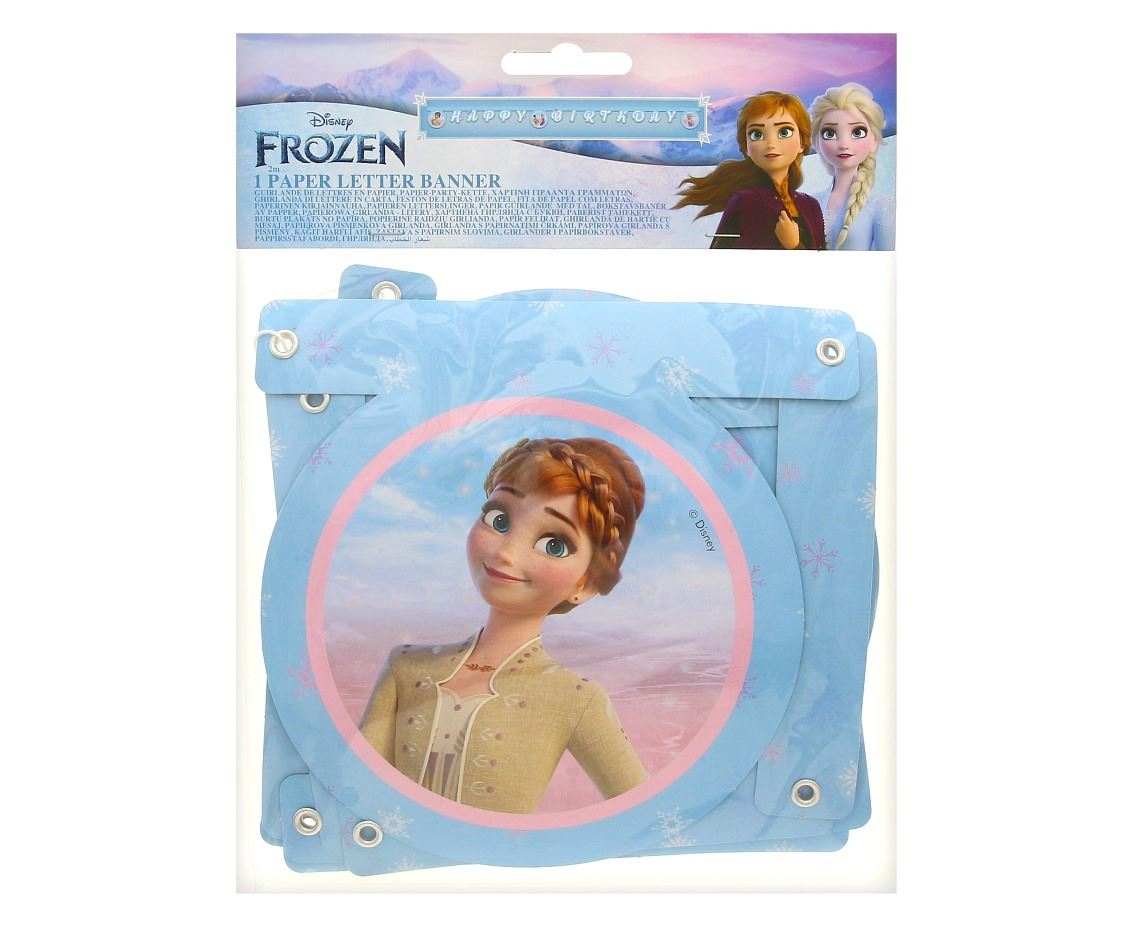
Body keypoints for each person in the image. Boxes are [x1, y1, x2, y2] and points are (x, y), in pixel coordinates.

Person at [359, 437, 649, 813]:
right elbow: (355, 789)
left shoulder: (576, 698)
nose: (506, 552)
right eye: (499, 519)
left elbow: (646, 815)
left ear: (586, 584)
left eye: (554, 544)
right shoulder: (406, 667)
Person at [675, 91, 825, 250]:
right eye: (757, 134)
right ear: (746, 147)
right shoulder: (745, 201)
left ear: (802, 142)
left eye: (784, 132)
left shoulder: (810, 205)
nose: (770, 143)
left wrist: (795, 246)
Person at [809, 82, 894, 250]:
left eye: (857, 132)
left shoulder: (881, 207)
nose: (844, 144)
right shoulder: (811, 202)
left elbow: (888, 261)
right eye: (830, 133)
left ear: (874, 141)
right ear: (817, 142)